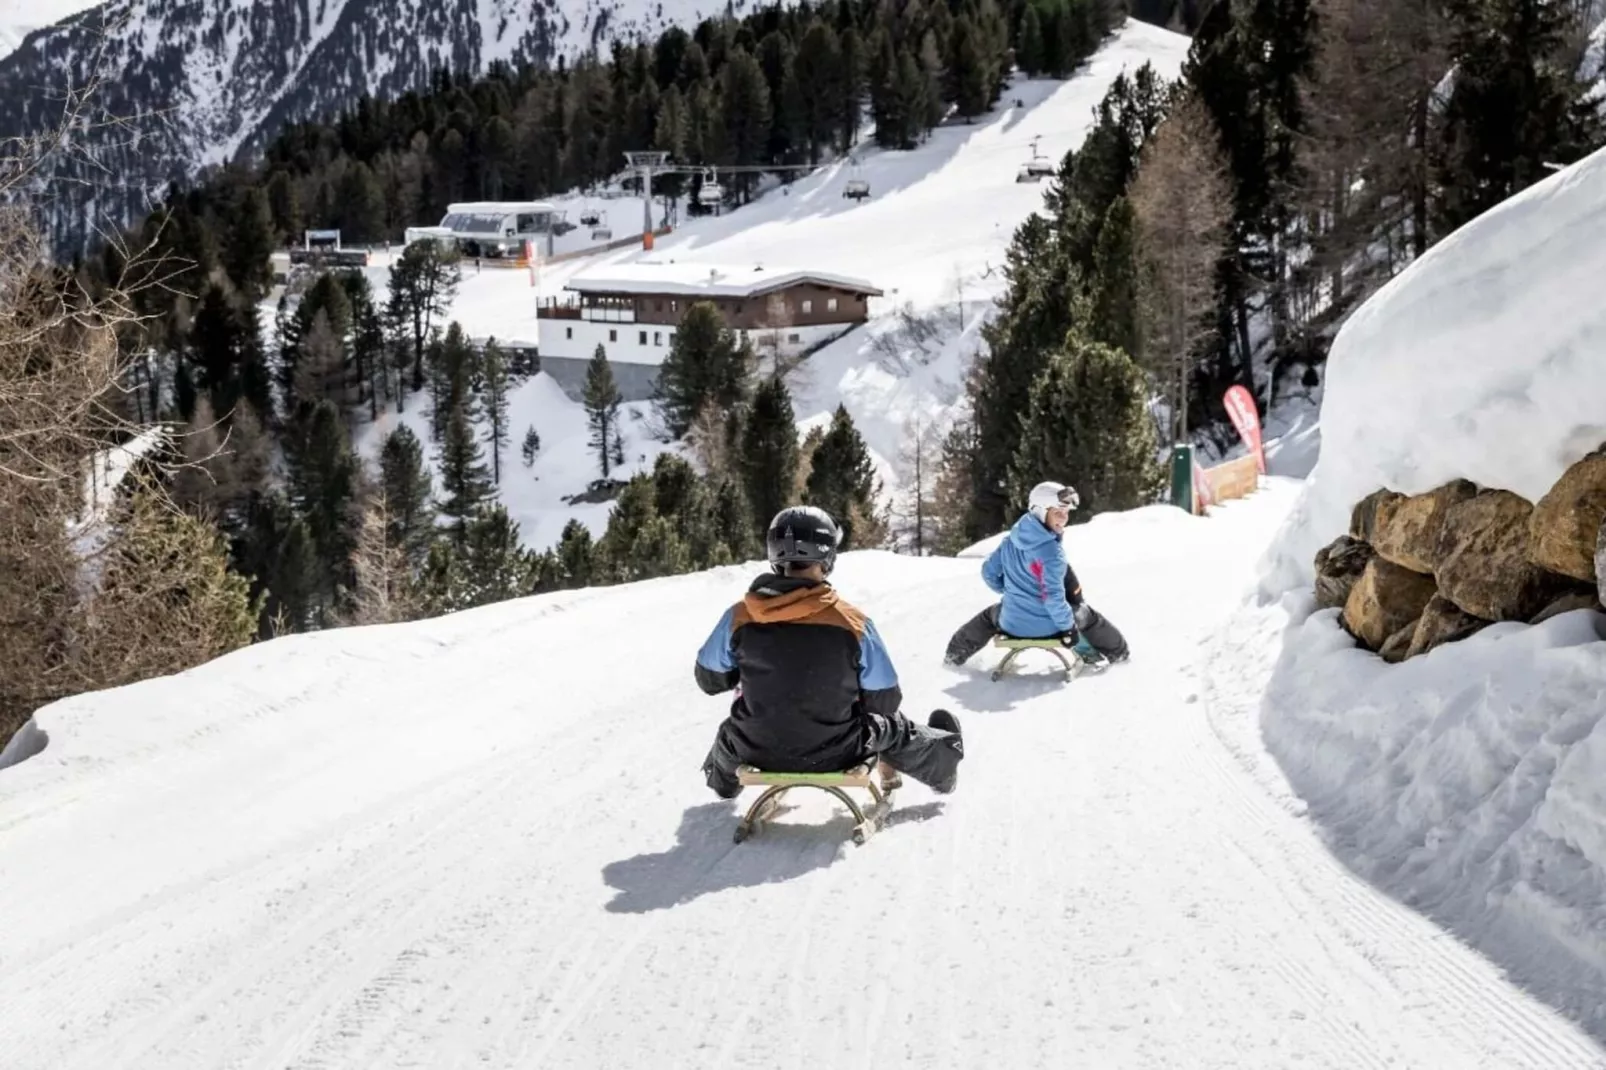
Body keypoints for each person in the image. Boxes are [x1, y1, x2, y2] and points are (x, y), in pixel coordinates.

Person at [695, 505, 965, 799]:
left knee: (732, 728)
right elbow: (885, 700)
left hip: (755, 748)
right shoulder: (852, 623)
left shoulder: (739, 617)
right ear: (827, 555)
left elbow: (709, 680)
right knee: (892, 726)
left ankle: (723, 783)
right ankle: (943, 762)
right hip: (838, 751)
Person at [943, 480, 1130, 667]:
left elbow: (988, 573)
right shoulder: (1051, 552)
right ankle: (1120, 655)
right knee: (1086, 614)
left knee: (989, 616)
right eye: (1058, 512)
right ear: (1040, 511)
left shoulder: (1009, 542)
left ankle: (954, 656)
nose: (1064, 519)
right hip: (1050, 626)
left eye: (1066, 513)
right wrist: (1068, 628)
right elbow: (1053, 598)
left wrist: (1011, 591)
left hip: (1011, 623)